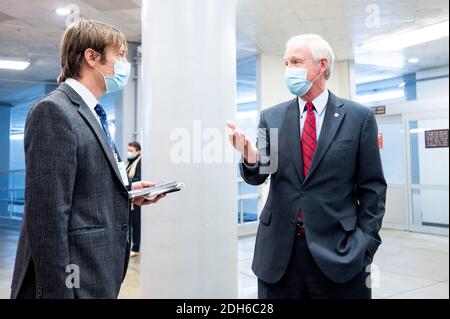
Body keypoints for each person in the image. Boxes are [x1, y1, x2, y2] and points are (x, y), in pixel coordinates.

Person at [10, 19, 164, 299]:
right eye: (119, 54)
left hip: (95, 273)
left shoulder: (91, 113)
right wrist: (60, 292)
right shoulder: (54, 112)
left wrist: (127, 193)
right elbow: (46, 218)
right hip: (74, 281)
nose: (124, 64)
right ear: (92, 57)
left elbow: (84, 186)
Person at [227, 34, 387, 299]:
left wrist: (365, 245)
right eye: (286, 63)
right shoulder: (271, 117)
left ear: (321, 65)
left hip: (340, 253)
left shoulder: (359, 118)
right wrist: (251, 156)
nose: (289, 69)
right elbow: (259, 175)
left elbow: (373, 188)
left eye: (296, 61)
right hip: (279, 255)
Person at [126, 142, 142, 257]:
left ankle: (136, 248)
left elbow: (139, 177)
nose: (129, 153)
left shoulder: (140, 162)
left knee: (136, 224)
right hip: (129, 195)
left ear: (138, 151)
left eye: (131, 151)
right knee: (131, 223)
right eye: (128, 150)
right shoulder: (129, 162)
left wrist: (130, 182)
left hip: (137, 195)